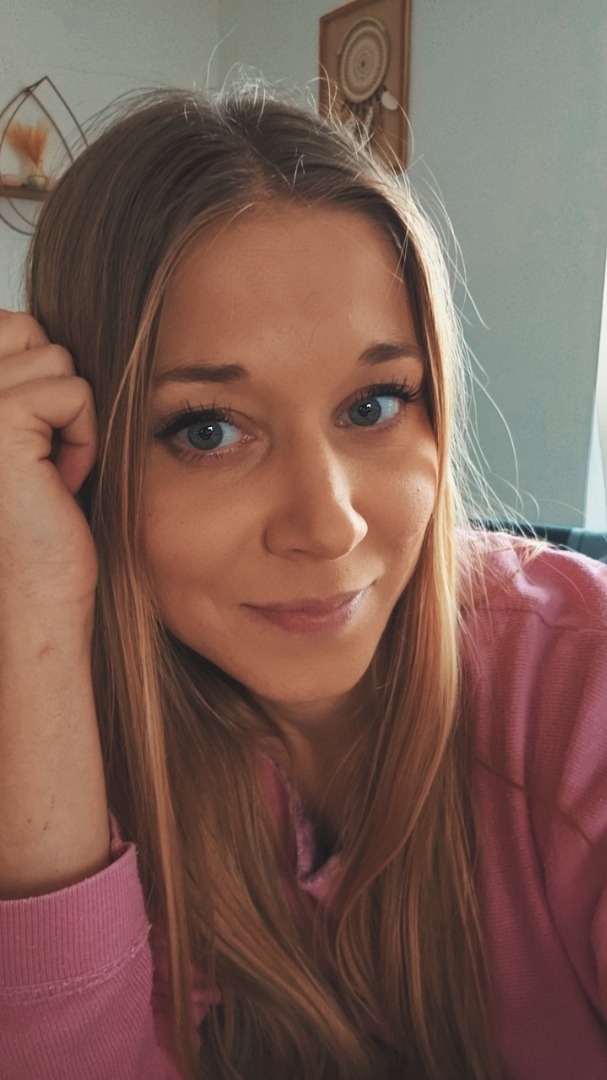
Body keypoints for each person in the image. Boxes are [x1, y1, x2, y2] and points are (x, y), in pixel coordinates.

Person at [0, 87, 605, 1080]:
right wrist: (30, 609)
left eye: (373, 404)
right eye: (207, 429)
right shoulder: (58, 734)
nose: (328, 527)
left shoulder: (579, 682)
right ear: (87, 456)